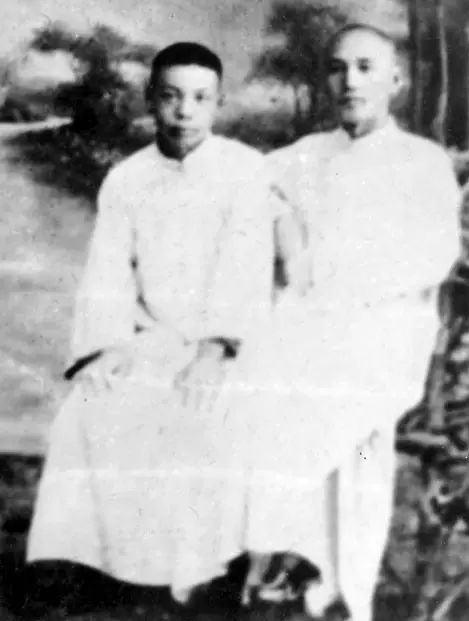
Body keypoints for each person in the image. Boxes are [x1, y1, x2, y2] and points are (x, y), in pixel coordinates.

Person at [26, 42, 287, 606]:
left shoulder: (244, 170)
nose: (184, 111)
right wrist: (108, 346)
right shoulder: (126, 178)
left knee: (202, 408)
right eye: (171, 96)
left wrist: (215, 349)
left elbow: (245, 269)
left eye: (199, 98)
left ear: (218, 103)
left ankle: (198, 564)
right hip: (150, 337)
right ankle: (108, 560)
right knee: (93, 404)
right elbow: (108, 271)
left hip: (230, 341)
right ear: (151, 100)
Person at [237, 23, 462, 620]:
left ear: (396, 80)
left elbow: (433, 255)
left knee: (354, 429)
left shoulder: (421, 162)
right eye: (338, 68)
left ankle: (343, 582)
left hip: (383, 334)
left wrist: (340, 284)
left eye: (365, 68)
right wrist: (282, 224)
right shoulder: (307, 156)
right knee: (272, 386)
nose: (350, 81)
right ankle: (290, 561)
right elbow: (245, 191)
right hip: (313, 329)